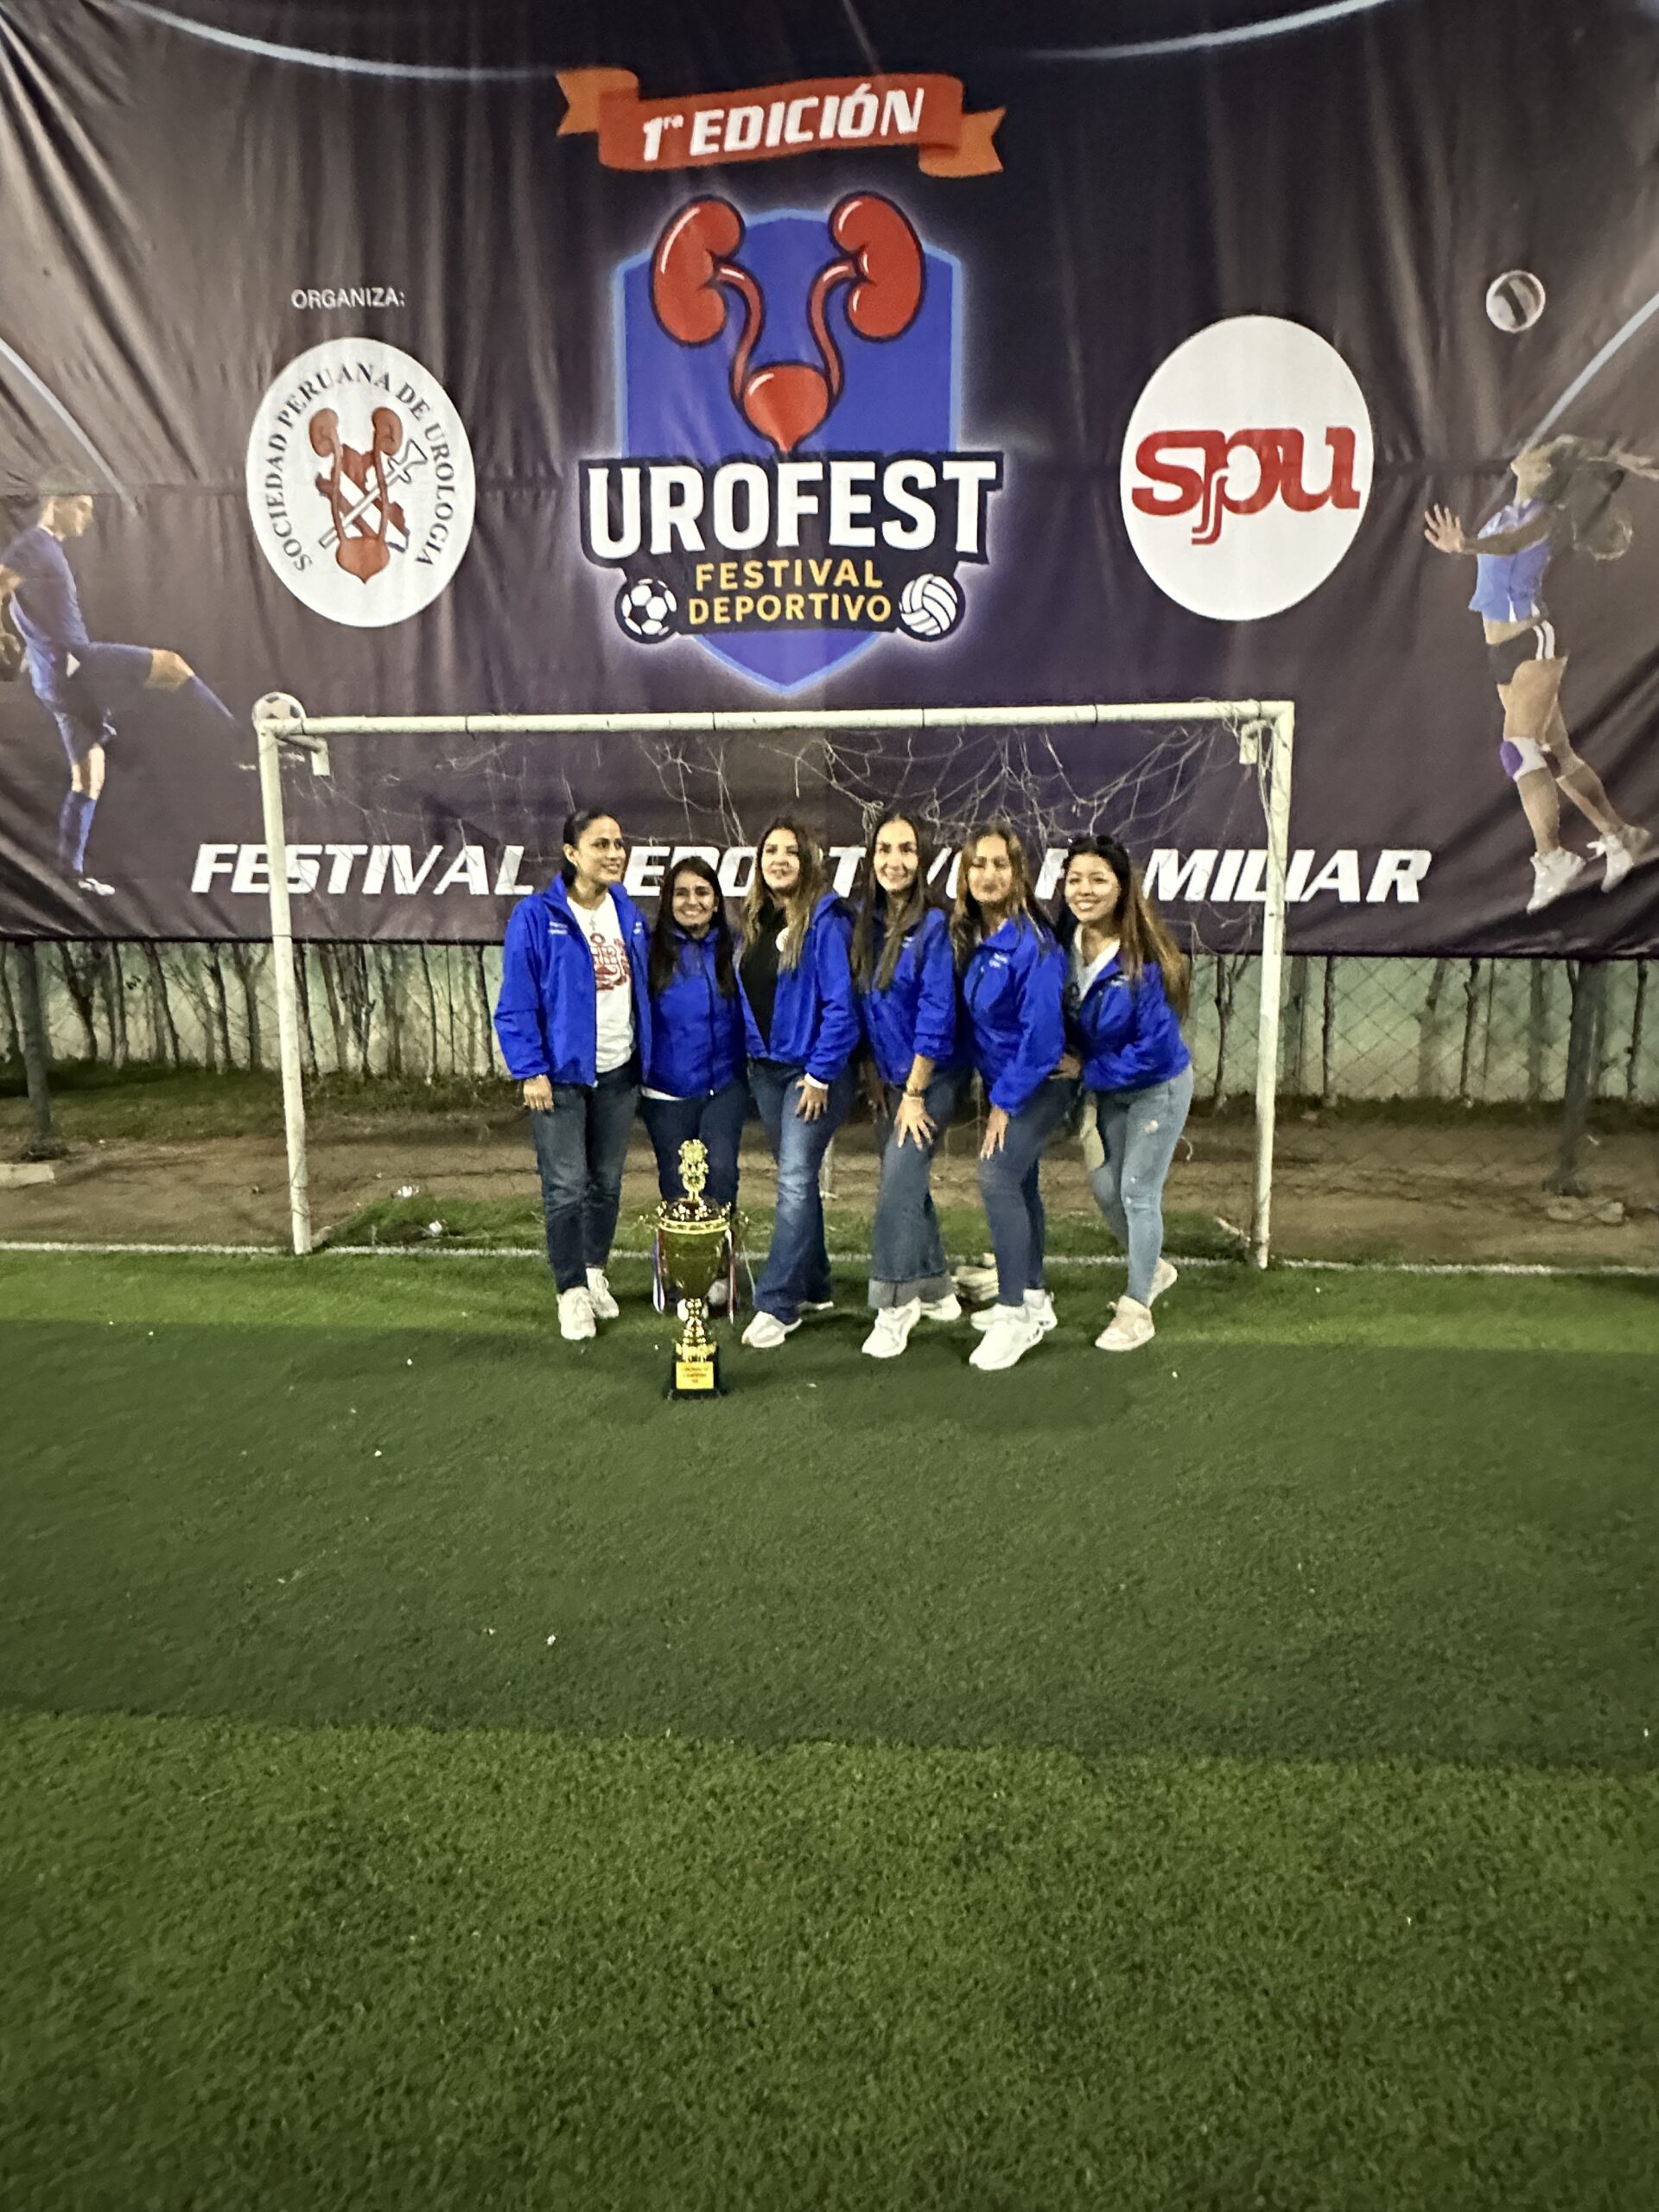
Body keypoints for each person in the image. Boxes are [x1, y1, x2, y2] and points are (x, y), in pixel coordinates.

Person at [1424, 436, 1655, 913]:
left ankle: (1553, 857)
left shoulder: (1546, 518)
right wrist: (1617, 458)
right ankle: (1622, 835)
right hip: (1500, 650)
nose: (1531, 449)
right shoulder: (1511, 510)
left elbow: (1511, 544)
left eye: (1541, 453)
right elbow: (1566, 447)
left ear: (1545, 473)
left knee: (1518, 747)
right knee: (1555, 753)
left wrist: (1466, 545)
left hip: (1534, 639)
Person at [0, 473, 238, 898]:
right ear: (57, 502)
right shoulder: (35, 545)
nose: (88, 517)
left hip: (52, 681)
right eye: (82, 507)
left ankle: (69, 879)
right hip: (75, 665)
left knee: (88, 776)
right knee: (172, 665)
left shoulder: (46, 551)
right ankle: (242, 746)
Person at [493, 808, 652, 1342]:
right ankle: (569, 1292)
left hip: (619, 1072)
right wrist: (530, 1068)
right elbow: (516, 1000)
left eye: (619, 843)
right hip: (559, 1077)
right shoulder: (536, 916)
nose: (614, 853)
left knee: (606, 1183)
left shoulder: (627, 912)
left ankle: (593, 1272)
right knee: (565, 1186)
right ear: (571, 853)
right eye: (601, 844)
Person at [1055, 836, 1193, 1353]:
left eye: (1098, 880)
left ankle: (1137, 1310)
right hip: (1107, 1088)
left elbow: (1153, 1053)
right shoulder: (1063, 944)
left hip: (1156, 1087)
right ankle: (1153, 1269)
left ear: (1121, 887)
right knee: (1106, 1188)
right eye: (1075, 879)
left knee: (1138, 1191)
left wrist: (1087, 1070)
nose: (1085, 890)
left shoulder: (1146, 957)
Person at [736, 817, 860, 1351]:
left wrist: (819, 1074)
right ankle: (815, 1283)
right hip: (766, 1072)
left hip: (810, 1075)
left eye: (791, 851)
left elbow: (842, 1009)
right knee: (798, 1180)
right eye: (771, 851)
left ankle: (777, 1303)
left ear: (809, 861)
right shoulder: (757, 920)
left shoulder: (827, 922)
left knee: (792, 1181)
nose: (779, 860)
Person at [953, 822, 1070, 1372]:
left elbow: (1043, 1040)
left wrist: (1004, 1101)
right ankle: (1035, 1296)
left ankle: (1014, 1312)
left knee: (996, 1175)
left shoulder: (1034, 945)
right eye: (978, 864)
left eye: (1000, 864)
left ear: (1019, 873)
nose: (988, 874)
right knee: (1020, 1181)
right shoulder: (975, 936)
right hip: (1008, 1082)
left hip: (1041, 1082)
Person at [849, 810, 963, 1357]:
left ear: (922, 860)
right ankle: (937, 1286)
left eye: (907, 850)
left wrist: (915, 1094)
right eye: (885, 850)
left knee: (896, 1188)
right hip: (890, 1079)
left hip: (931, 1080)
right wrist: (873, 1073)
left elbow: (937, 1016)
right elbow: (868, 1008)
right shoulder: (866, 924)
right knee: (907, 1183)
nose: (894, 861)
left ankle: (894, 1306)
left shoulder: (936, 926)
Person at [640, 855, 747, 1313]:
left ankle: (719, 1272)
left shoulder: (736, 946)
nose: (692, 901)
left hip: (724, 1085)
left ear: (717, 901)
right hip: (665, 1091)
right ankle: (680, 1278)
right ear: (668, 900)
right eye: (682, 893)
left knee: (720, 1173)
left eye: (702, 892)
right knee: (677, 1184)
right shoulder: (648, 950)